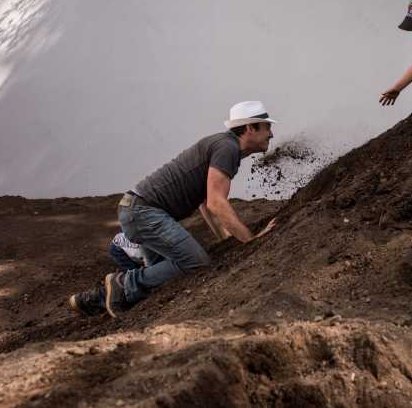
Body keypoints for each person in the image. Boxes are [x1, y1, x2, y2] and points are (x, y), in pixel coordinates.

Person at [68, 100, 278, 318]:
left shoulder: (223, 145)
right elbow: (217, 203)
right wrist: (251, 241)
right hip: (145, 213)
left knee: (165, 279)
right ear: (250, 128)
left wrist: (226, 240)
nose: (271, 135)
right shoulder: (228, 148)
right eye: (267, 128)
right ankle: (122, 283)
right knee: (197, 263)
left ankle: (94, 299)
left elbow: (207, 203)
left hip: (138, 211)